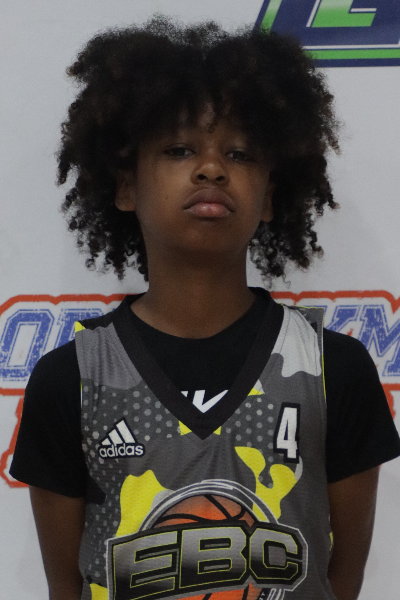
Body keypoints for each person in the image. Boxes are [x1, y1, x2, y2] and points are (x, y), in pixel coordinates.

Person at [10, 15, 400, 600]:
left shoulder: (332, 371)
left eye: (239, 153)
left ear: (268, 197)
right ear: (126, 187)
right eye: (179, 149)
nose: (212, 168)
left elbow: (338, 579)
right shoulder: (72, 381)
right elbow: (66, 586)